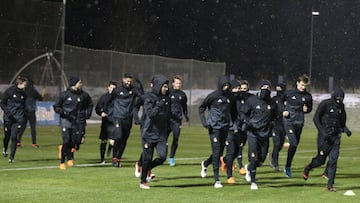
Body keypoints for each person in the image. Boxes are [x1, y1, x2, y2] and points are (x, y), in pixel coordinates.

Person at [302, 87, 352, 192]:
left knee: (333, 160)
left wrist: (346, 130)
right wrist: (322, 131)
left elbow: (342, 122)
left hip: (336, 138)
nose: (339, 99)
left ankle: (330, 185)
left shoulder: (341, 107)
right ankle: (308, 168)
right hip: (324, 138)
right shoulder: (325, 104)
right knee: (320, 161)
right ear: (334, 96)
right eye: (338, 97)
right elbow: (316, 119)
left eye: (341, 98)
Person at [53, 76, 93, 170]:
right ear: (74, 84)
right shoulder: (64, 94)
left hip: (78, 121)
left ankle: (70, 156)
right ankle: (63, 162)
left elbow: (90, 105)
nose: (81, 84)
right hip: (66, 121)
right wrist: (64, 112)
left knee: (76, 141)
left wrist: (87, 113)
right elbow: (56, 107)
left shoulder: (84, 95)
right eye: (79, 82)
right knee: (66, 141)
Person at [199, 75, 232, 189]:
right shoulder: (213, 96)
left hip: (225, 127)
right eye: (224, 85)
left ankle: (205, 163)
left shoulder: (229, 96)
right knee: (217, 152)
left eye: (228, 85)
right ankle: (217, 180)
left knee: (219, 153)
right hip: (214, 128)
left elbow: (233, 111)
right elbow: (201, 108)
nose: (226, 87)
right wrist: (204, 122)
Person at [243, 80, 277, 190]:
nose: (266, 89)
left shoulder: (272, 103)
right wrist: (249, 123)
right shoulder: (252, 100)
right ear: (260, 88)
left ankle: (249, 167)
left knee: (261, 159)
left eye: (268, 87)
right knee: (253, 157)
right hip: (253, 132)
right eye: (264, 87)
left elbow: (274, 118)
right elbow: (244, 113)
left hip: (265, 134)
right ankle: (253, 181)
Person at [139, 74, 171, 189]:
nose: (166, 89)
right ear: (159, 86)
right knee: (147, 158)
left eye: (167, 87)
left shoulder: (167, 99)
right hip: (148, 133)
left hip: (161, 135)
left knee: (162, 157)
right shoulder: (149, 98)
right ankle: (143, 181)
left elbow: (168, 115)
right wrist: (159, 105)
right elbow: (151, 114)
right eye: (165, 86)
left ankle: (147, 168)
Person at [106, 73, 142, 167]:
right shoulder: (117, 91)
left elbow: (142, 96)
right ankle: (114, 158)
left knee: (124, 140)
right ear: (123, 80)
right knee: (118, 136)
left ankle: (118, 158)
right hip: (118, 117)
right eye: (127, 80)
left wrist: (140, 84)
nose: (128, 83)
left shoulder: (134, 90)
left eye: (130, 81)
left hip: (128, 119)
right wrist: (108, 112)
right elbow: (109, 101)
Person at [282, 74, 313, 177]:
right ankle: (285, 139)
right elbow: (279, 102)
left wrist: (306, 110)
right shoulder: (289, 93)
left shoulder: (307, 96)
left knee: (294, 146)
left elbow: (310, 108)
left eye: (305, 86)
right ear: (297, 83)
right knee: (293, 143)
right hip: (289, 121)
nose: (303, 87)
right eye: (302, 85)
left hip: (299, 122)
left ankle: (288, 166)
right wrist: (284, 110)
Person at [1, 76, 28, 163]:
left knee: (14, 137)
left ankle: (11, 157)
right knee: (7, 136)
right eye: (24, 84)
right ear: (19, 84)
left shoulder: (24, 94)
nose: (25, 86)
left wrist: (23, 115)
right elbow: (2, 103)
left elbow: (24, 106)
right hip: (8, 118)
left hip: (18, 119)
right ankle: (5, 148)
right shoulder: (9, 91)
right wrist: (7, 112)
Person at [167, 74, 189, 166]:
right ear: (173, 84)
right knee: (163, 138)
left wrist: (186, 116)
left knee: (175, 139)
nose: (178, 85)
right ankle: (162, 154)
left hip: (177, 120)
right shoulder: (168, 92)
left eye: (180, 83)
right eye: (177, 83)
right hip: (167, 120)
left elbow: (184, 107)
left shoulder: (182, 95)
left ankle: (171, 158)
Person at [95, 81, 117, 164]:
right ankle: (102, 159)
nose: (112, 89)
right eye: (111, 87)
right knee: (103, 140)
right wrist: (101, 113)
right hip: (105, 122)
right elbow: (97, 108)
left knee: (113, 141)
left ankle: (113, 156)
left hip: (114, 122)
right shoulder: (104, 97)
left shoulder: (117, 98)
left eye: (114, 88)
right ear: (108, 87)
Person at [17, 79, 43, 148]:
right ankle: (34, 143)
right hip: (31, 111)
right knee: (33, 127)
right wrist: (40, 96)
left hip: (24, 111)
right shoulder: (33, 91)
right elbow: (40, 98)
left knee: (22, 127)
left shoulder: (23, 91)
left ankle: (18, 141)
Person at [269, 83, 287, 171]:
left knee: (280, 144)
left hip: (284, 125)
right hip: (275, 124)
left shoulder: (286, 100)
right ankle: (275, 163)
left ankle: (273, 156)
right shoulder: (273, 100)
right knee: (276, 144)